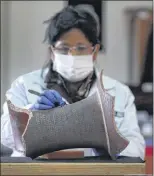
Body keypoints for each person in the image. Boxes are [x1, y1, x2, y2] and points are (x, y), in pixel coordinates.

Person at [1, 5, 145, 161]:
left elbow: (138, 150)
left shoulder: (120, 92)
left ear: (94, 51)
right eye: (64, 48)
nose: (72, 55)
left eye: (81, 48)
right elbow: (5, 137)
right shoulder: (24, 85)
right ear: (52, 52)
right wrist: (29, 115)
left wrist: (113, 142)